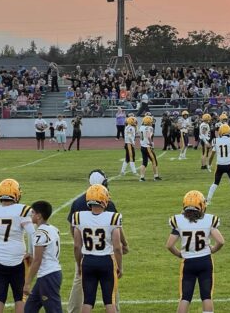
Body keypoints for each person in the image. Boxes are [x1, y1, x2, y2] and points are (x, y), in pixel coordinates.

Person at [66, 170, 127, 313]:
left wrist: (79, 263)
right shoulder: (112, 216)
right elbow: (117, 247)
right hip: (106, 260)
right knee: (109, 301)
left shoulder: (79, 216)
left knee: (87, 301)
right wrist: (120, 265)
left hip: (87, 260)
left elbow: (76, 244)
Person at [0, 179, 35, 313]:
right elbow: (32, 234)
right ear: (16, 194)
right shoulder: (22, 210)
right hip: (17, 260)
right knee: (20, 297)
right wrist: (31, 253)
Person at [166, 190, 225, 313]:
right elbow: (220, 241)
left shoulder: (178, 221)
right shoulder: (209, 219)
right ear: (202, 205)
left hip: (188, 262)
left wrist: (180, 254)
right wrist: (212, 250)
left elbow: (169, 245)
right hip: (205, 261)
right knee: (206, 296)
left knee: (185, 298)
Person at [24, 201, 63, 313]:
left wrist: (27, 282)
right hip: (49, 274)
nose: (31, 215)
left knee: (53, 310)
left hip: (48, 276)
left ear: (39, 215)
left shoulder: (40, 233)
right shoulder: (53, 229)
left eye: (33, 212)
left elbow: (37, 261)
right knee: (29, 309)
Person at [206, 124, 230, 206]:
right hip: (229, 165)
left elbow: (212, 154)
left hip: (219, 165)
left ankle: (208, 200)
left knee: (215, 183)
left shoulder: (215, 140)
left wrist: (209, 164)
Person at [139, 115, 161, 182]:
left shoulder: (141, 127)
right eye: (151, 121)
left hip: (142, 146)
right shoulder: (150, 128)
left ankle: (142, 177)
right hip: (147, 147)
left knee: (144, 162)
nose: (152, 122)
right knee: (154, 161)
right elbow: (148, 136)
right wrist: (151, 143)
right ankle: (156, 176)